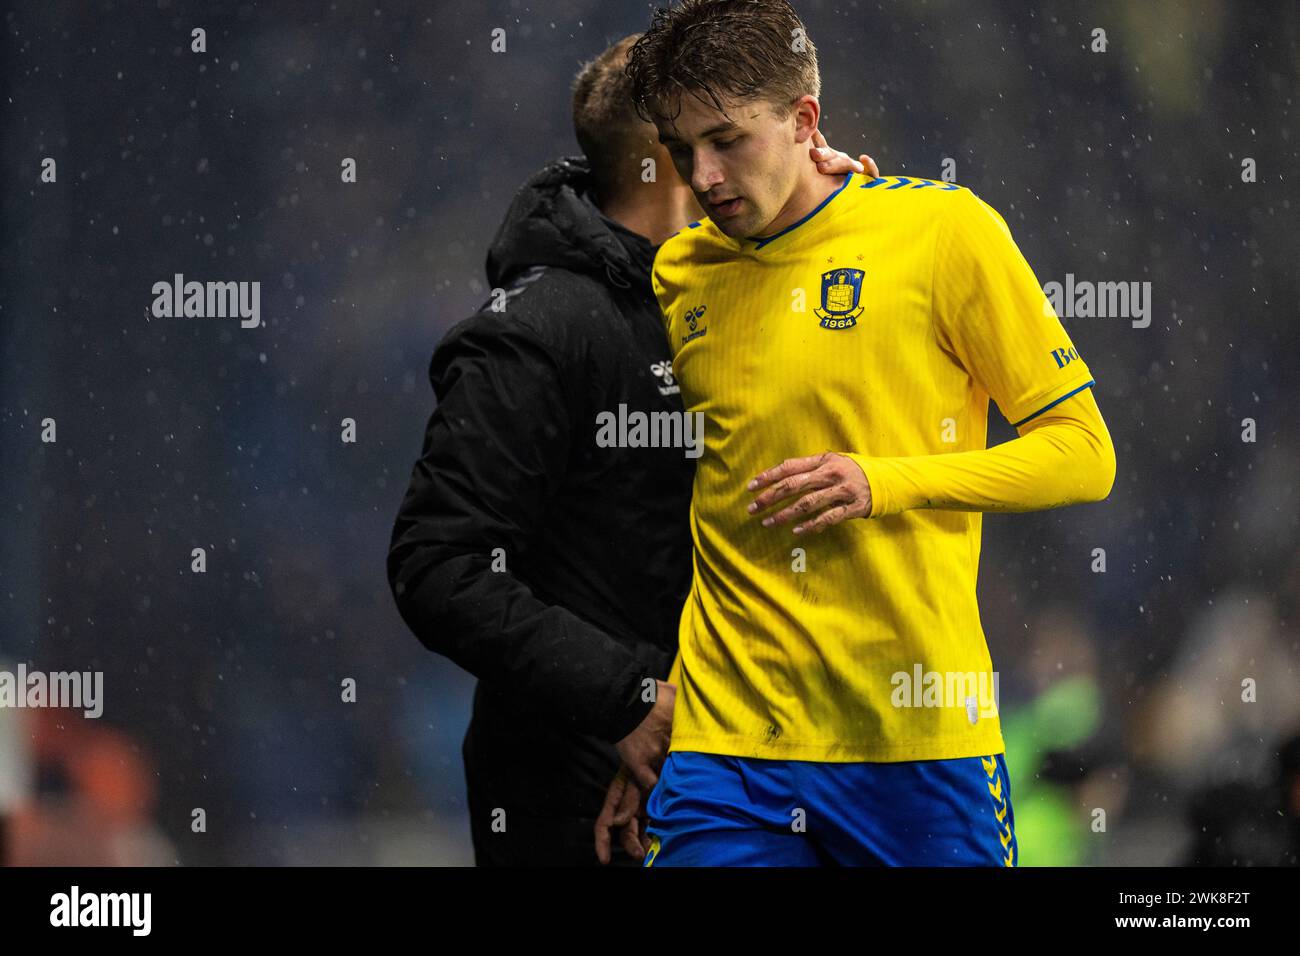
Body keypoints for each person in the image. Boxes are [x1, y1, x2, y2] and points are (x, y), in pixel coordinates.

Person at [606, 0, 1117, 866]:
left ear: (806, 123)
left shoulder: (942, 233)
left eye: (728, 140)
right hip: (728, 752)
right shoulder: (679, 273)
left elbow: (1084, 453)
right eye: (682, 149)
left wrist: (885, 482)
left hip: (915, 744)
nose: (703, 174)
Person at [386, 33, 875, 866]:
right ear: (674, 155)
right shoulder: (537, 335)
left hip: (745, 763)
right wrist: (629, 701)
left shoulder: (736, 295)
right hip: (577, 796)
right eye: (716, 135)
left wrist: (857, 224)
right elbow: (438, 565)